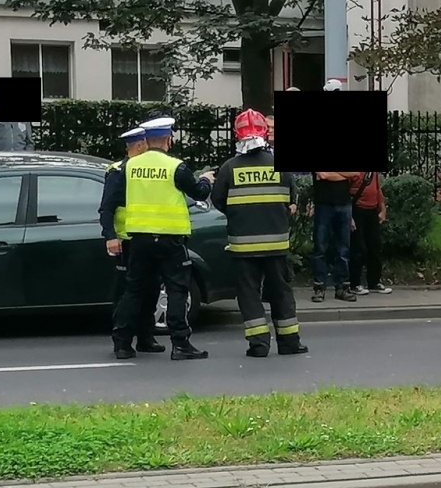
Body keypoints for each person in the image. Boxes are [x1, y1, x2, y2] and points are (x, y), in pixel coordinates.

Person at [103, 115, 214, 360]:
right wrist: (206, 180)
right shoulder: (176, 166)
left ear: (147, 140)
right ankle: (180, 344)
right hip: (169, 239)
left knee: (133, 290)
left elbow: (114, 201)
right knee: (177, 289)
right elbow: (198, 192)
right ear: (168, 140)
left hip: (139, 238)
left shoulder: (129, 166)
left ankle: (122, 343)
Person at [210, 109, 308, 357]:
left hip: (243, 246)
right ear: (264, 133)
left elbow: (218, 201)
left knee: (248, 294)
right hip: (276, 244)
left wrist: (240, 214)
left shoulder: (229, 168)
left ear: (237, 134)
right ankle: (289, 342)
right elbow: (292, 199)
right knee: (281, 292)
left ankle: (259, 344)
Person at [98, 125, 163, 353]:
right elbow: (107, 207)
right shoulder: (119, 171)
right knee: (127, 293)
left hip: (148, 238)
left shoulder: (147, 169)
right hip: (126, 241)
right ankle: (122, 342)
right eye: (146, 143)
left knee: (151, 290)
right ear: (140, 145)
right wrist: (110, 236)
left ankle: (146, 337)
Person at [310, 170, 357, 303]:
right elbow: (322, 174)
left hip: (344, 204)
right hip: (323, 204)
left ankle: (343, 287)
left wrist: (332, 174)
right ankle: (319, 288)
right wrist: (343, 175)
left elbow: (356, 173)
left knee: (343, 249)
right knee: (320, 248)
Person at [348, 170, 391, 294]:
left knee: (375, 246)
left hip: (372, 210)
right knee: (358, 247)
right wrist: (349, 216)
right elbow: (345, 192)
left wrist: (382, 208)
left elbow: (377, 188)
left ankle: (374, 281)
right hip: (357, 209)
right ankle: (354, 283)